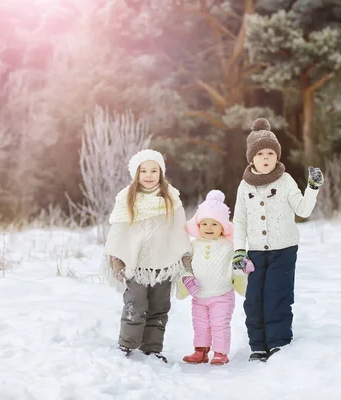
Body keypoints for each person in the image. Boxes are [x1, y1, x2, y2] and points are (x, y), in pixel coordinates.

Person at [232, 118, 324, 362]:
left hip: (284, 250)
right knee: (254, 301)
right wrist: (239, 250)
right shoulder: (244, 186)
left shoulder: (285, 180)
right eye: (260, 153)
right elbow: (239, 220)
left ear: (277, 156)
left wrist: (312, 188)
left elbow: (303, 210)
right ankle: (258, 346)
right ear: (252, 158)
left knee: (277, 296)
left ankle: (278, 344)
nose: (266, 157)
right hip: (255, 253)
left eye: (270, 153)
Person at [103, 149, 192, 363]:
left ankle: (152, 348)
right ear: (136, 173)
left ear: (161, 173)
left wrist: (185, 260)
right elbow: (118, 232)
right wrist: (116, 260)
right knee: (135, 303)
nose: (149, 175)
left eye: (154, 170)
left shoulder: (171, 198)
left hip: (163, 264)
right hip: (136, 265)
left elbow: (179, 230)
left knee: (159, 307)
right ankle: (126, 345)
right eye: (144, 171)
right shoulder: (127, 198)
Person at [176, 190, 253, 365]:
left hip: (222, 295)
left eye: (214, 224)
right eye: (204, 224)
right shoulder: (193, 245)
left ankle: (220, 352)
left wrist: (245, 266)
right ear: (198, 225)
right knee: (200, 324)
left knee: (219, 324)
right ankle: (200, 351)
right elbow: (184, 265)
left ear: (223, 227)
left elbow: (240, 261)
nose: (208, 228)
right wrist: (187, 279)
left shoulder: (229, 245)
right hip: (199, 295)